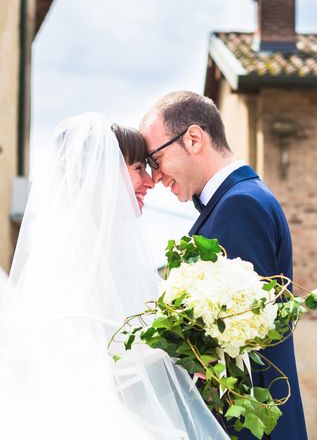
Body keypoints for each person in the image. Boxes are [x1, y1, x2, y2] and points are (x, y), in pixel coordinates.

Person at [0, 114, 229, 440]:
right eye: (138, 169)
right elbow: (82, 358)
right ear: (103, 173)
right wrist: (177, 351)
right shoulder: (76, 252)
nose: (150, 181)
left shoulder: (106, 248)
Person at [141, 91, 308, 440]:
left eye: (156, 160)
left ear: (193, 138)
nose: (154, 177)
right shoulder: (240, 199)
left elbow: (240, 344)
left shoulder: (240, 206)